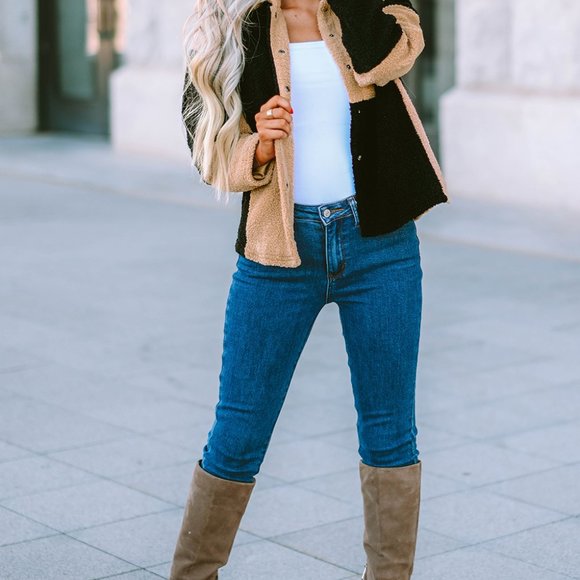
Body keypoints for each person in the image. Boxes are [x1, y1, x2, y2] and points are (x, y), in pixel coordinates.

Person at [169, 0, 449, 578]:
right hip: (278, 252)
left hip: (381, 248)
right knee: (238, 431)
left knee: (390, 432)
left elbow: (398, 52)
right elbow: (207, 154)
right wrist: (259, 144)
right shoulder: (233, 31)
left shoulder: (365, 9)